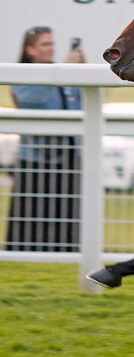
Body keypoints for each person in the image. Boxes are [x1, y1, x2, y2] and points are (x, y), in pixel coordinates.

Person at [6, 27, 85, 252]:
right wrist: (65, 70)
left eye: (52, 44)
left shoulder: (60, 72)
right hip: (36, 159)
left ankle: (66, 252)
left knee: (67, 215)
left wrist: (79, 73)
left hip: (69, 157)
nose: (51, 49)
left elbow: (80, 104)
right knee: (31, 218)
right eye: (44, 45)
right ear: (29, 49)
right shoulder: (21, 74)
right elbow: (32, 100)